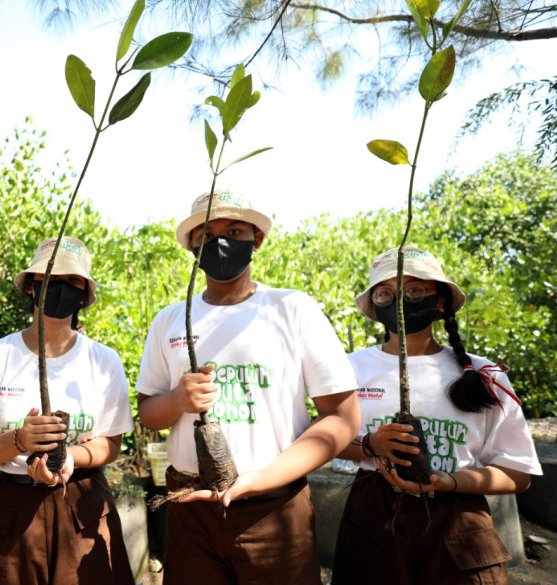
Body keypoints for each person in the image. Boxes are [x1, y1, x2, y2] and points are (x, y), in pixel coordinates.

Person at [135, 189, 361, 585]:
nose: (221, 241)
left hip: (274, 509)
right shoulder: (169, 320)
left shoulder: (292, 309)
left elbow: (342, 417)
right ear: (191, 246)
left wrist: (263, 479)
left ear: (256, 239)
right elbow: (150, 412)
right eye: (206, 234)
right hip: (190, 509)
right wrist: (177, 399)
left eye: (235, 230)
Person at [331, 246, 543, 585]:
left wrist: (452, 481)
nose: (400, 301)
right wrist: (371, 445)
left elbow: (518, 474)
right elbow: (326, 441)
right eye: (386, 293)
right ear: (375, 306)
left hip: (458, 516)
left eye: (415, 290)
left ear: (440, 301)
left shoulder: (482, 373)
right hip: (374, 514)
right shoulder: (349, 368)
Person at [0, 236, 135, 585]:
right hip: (9, 511)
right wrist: (18, 440)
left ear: (83, 295)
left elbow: (111, 443)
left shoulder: (103, 360)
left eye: (73, 281)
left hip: (82, 505)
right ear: (33, 287)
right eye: (52, 278)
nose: (62, 287)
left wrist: (72, 458)